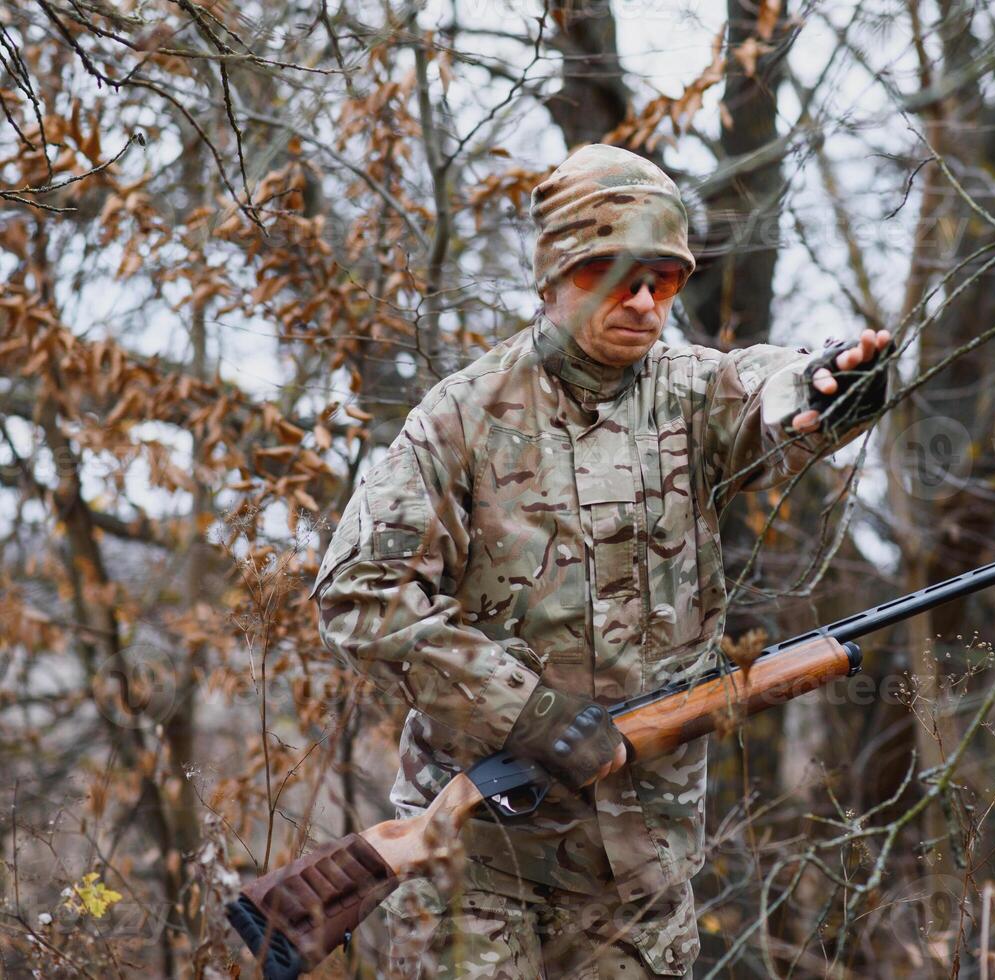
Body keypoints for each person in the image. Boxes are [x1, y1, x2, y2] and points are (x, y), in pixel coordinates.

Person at [312, 143, 891, 978]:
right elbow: (359, 597)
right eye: (615, 273)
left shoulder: (694, 393)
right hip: (481, 865)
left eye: (666, 276)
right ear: (554, 277)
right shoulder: (461, 419)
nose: (645, 300)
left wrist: (832, 389)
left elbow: (770, 389)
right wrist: (529, 716)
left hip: (641, 875)